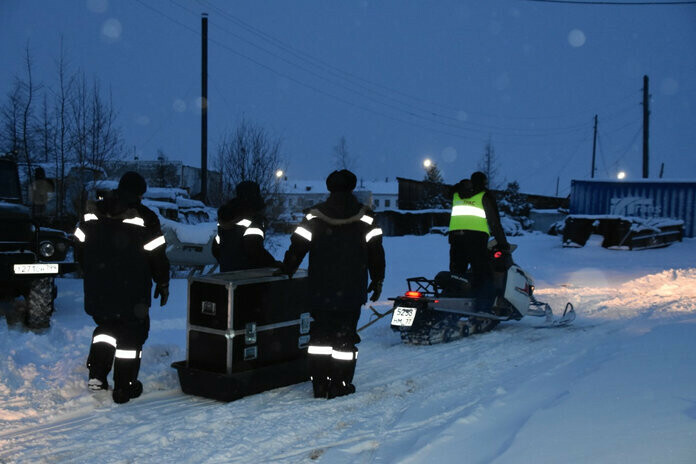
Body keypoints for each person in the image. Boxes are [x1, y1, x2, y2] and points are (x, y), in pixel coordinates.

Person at [278, 169, 385, 399]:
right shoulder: (366, 217)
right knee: (344, 339)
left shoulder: (313, 217)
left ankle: (319, 385)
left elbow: (297, 248)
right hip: (351, 291)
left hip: (320, 291)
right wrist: (377, 280)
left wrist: (287, 269)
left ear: (329, 188)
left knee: (319, 339)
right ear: (351, 187)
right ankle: (340, 384)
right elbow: (376, 253)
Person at [73, 171, 170, 404]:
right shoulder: (145, 218)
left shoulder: (92, 213)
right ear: (139, 193)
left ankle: (97, 375)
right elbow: (157, 255)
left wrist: (93, 272)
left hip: (98, 289)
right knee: (132, 334)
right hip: (132, 291)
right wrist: (163, 282)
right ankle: (124, 386)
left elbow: (77, 246)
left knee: (106, 327)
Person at [448, 171, 509, 311]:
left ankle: (454, 304)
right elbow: (494, 222)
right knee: (482, 273)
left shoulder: (457, 194)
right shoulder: (483, 195)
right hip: (476, 239)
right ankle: (483, 308)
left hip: (456, 239)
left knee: (457, 274)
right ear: (483, 182)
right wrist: (502, 243)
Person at [212, 181, 279, 272]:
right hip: (249, 277)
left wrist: (228, 263)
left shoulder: (225, 217)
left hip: (227, 275)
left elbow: (215, 248)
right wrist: (273, 264)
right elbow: (254, 249)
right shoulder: (253, 218)